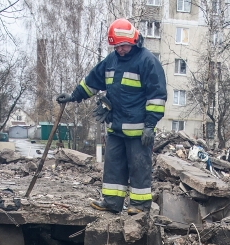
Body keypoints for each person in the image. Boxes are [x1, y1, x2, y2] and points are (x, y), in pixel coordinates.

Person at [56, 18, 166, 214]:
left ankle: (140, 205)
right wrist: (74, 96)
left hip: (139, 129)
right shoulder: (111, 60)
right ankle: (112, 202)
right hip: (116, 126)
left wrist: (150, 125)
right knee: (113, 165)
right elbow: (92, 81)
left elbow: (156, 96)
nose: (120, 50)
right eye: (116, 46)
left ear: (133, 41)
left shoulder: (147, 61)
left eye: (123, 46)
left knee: (139, 167)